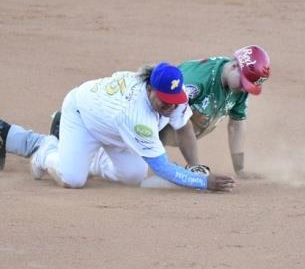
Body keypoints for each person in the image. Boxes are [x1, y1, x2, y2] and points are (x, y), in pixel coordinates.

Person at [0, 62, 234, 191]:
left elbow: (183, 128)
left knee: (133, 175)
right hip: (82, 115)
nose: (170, 107)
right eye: (165, 101)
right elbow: (162, 168)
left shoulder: (175, 95)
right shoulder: (136, 115)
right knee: (72, 179)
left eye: (174, 101)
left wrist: (194, 167)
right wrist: (204, 182)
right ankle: (46, 150)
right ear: (150, 89)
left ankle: (83, 156)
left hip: (113, 128)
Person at [49, 45, 271, 179]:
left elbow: (236, 124)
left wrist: (239, 169)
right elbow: (163, 107)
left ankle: (92, 152)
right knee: (81, 177)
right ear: (234, 67)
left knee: (133, 173)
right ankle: (59, 138)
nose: (244, 89)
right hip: (141, 119)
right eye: (243, 82)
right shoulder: (198, 82)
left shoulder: (238, 89)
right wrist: (188, 174)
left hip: (156, 126)